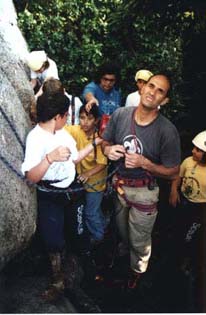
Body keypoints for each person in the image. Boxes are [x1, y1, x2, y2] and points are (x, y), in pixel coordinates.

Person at [101, 73, 181, 289]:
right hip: (119, 187)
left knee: (139, 239)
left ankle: (137, 271)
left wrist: (145, 163)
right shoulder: (120, 115)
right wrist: (108, 149)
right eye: (151, 86)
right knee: (123, 231)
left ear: (164, 101)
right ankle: (126, 257)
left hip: (145, 192)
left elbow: (174, 172)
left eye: (160, 91)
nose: (153, 92)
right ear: (142, 88)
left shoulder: (167, 131)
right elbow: (105, 141)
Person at [21, 92, 102, 301]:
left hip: (72, 191)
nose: (68, 119)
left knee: (78, 231)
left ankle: (85, 265)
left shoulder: (63, 133)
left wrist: (96, 143)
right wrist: (50, 158)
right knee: (53, 239)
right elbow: (31, 177)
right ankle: (58, 279)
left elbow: (74, 158)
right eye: (66, 115)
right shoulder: (36, 138)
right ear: (58, 116)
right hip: (51, 195)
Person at [169, 130, 206, 311]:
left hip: (200, 209)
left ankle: (187, 259)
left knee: (190, 235)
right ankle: (177, 254)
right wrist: (174, 191)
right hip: (184, 202)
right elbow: (178, 177)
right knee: (178, 228)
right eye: (194, 148)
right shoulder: (188, 162)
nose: (193, 152)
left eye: (199, 150)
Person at [65, 104, 108, 245]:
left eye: (89, 118)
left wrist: (88, 173)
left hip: (96, 183)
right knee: (94, 209)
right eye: (82, 118)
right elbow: (58, 128)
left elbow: (102, 163)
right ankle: (103, 226)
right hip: (82, 180)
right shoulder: (76, 131)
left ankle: (98, 237)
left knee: (90, 212)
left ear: (96, 120)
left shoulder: (100, 138)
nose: (85, 122)